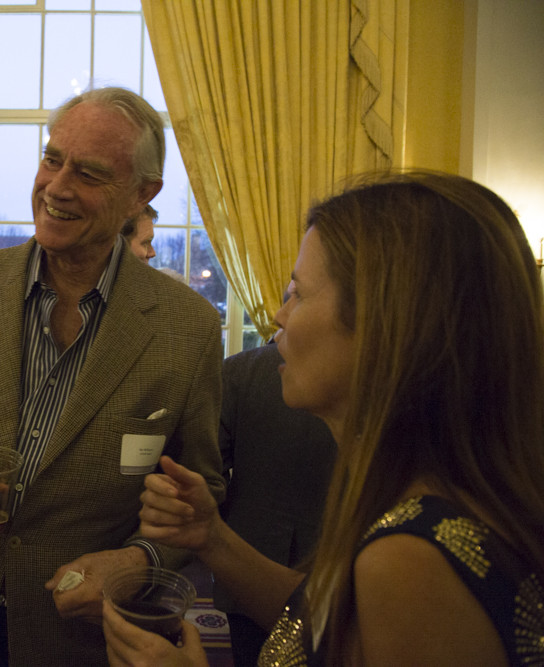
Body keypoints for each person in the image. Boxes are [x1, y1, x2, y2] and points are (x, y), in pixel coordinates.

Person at [102, 172, 544, 666]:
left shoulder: (413, 562)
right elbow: (326, 624)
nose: (277, 315)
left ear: (382, 324)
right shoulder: (428, 496)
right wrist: (213, 537)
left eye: (297, 292)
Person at [0, 86, 226, 667]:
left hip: (83, 639)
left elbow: (199, 493)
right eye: (51, 159)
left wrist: (137, 561)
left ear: (143, 194)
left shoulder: (186, 328)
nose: (57, 187)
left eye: (89, 173)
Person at [216, 340, 336, 666]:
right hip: (333, 557)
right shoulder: (357, 373)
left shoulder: (239, 370)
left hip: (246, 551)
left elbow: (213, 471)